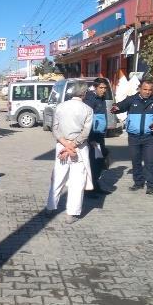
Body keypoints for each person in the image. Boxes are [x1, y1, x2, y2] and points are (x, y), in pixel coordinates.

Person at [46, 83, 94, 224]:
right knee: (77, 181)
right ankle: (71, 214)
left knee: (58, 177)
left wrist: (66, 145)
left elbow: (55, 129)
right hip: (79, 148)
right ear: (84, 94)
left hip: (61, 146)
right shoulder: (88, 109)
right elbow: (85, 133)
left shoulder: (60, 107)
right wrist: (72, 146)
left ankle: (50, 207)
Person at [110, 80, 153, 195]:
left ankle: (150, 185)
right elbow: (120, 106)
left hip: (150, 137)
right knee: (136, 161)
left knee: (150, 162)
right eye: (145, 89)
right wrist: (115, 108)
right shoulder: (131, 99)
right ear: (140, 89)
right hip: (134, 137)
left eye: (150, 90)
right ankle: (138, 183)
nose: (147, 92)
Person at [83, 78, 111, 194]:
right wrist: (91, 139)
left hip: (100, 135)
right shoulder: (91, 99)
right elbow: (87, 121)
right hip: (93, 137)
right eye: (101, 88)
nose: (103, 90)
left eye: (105, 88)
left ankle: (95, 185)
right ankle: (89, 189)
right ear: (95, 87)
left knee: (99, 161)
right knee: (93, 163)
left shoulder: (101, 98)